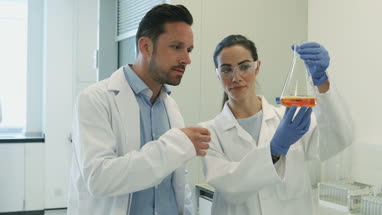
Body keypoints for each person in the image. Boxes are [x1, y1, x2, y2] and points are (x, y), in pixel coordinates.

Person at [67, 4, 211, 215]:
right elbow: (98, 179)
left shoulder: (171, 107)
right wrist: (176, 145)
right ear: (146, 46)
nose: (186, 59)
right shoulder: (95, 100)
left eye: (188, 50)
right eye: (176, 47)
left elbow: (178, 186)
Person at [199, 35, 353, 215]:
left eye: (244, 66)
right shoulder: (208, 133)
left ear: (257, 68)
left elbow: (339, 138)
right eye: (226, 70)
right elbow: (230, 187)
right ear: (217, 73)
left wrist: (321, 80)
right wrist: (274, 150)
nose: (236, 77)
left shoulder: (289, 120)